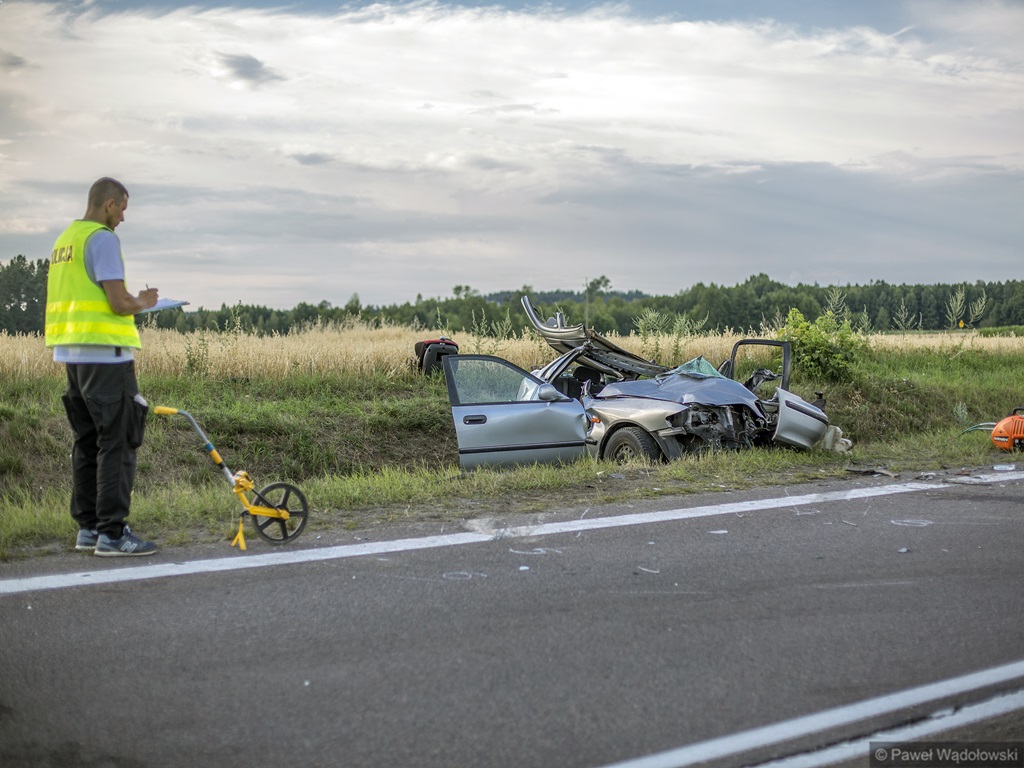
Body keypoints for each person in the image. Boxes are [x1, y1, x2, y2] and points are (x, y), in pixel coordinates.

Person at [45, 177, 160, 556]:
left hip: (72, 356)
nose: (123, 217)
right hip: (107, 357)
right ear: (109, 203)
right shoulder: (103, 238)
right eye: (123, 208)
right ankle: (113, 532)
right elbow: (117, 302)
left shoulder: (65, 241)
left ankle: (89, 529)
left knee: (88, 439)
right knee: (119, 440)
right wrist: (143, 300)